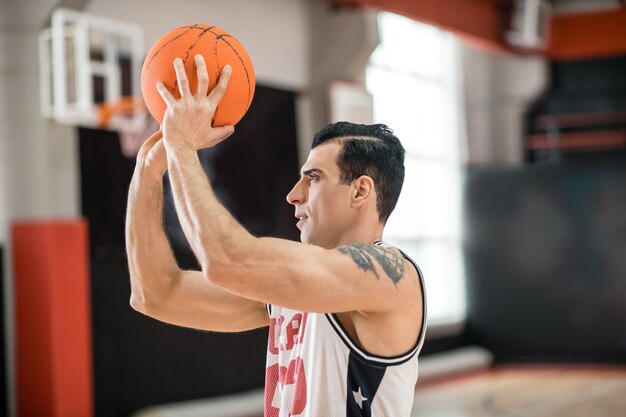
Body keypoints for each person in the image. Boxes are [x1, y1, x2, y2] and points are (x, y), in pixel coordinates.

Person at [125, 54, 426, 417]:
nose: (293, 194)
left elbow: (225, 260)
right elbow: (155, 294)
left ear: (360, 191)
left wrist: (182, 148)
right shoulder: (296, 290)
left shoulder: (391, 275)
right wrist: (146, 170)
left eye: (313, 178)